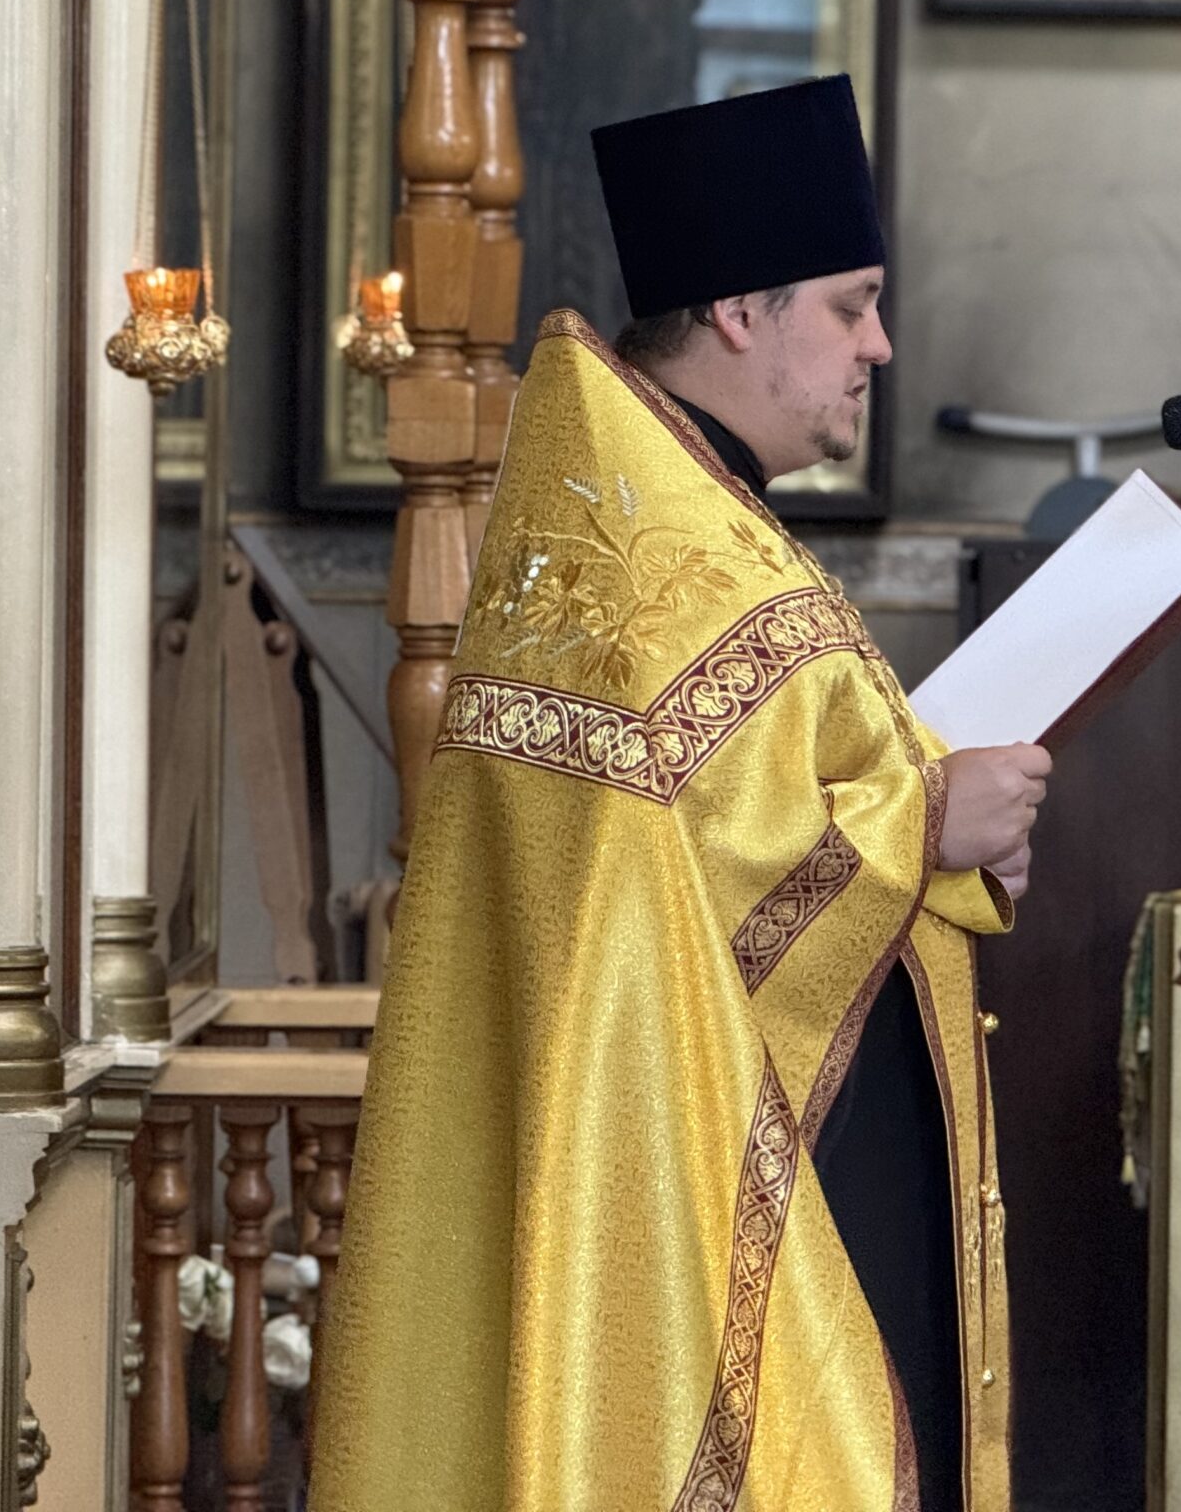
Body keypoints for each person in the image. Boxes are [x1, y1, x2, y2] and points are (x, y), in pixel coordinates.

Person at [313, 74, 1050, 1511]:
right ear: (736, 311)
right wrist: (923, 826)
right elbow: (661, 910)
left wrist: (942, 845)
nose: (878, 345)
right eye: (850, 305)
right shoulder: (654, 564)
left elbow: (714, 848)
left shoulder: (690, 518)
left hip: (795, 1154)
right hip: (727, 1194)